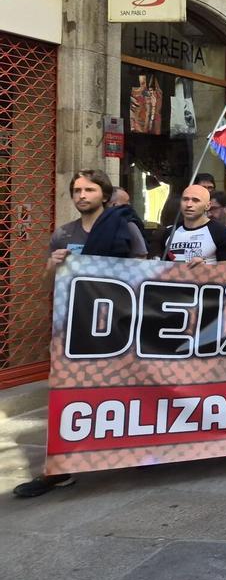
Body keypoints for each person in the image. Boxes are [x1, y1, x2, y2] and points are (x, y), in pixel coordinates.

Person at [14, 168, 148, 498]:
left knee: (126, 392)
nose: (81, 195)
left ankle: (138, 448)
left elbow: (147, 275)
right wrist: (52, 265)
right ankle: (58, 470)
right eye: (76, 190)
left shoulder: (125, 228)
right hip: (73, 333)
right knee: (65, 397)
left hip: (119, 330)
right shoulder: (63, 235)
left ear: (104, 194)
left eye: (89, 189)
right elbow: (47, 286)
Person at [164, 184, 226, 264]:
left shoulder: (221, 233)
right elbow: (158, 268)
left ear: (208, 206)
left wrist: (203, 270)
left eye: (196, 200)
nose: (189, 205)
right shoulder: (169, 232)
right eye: (185, 199)